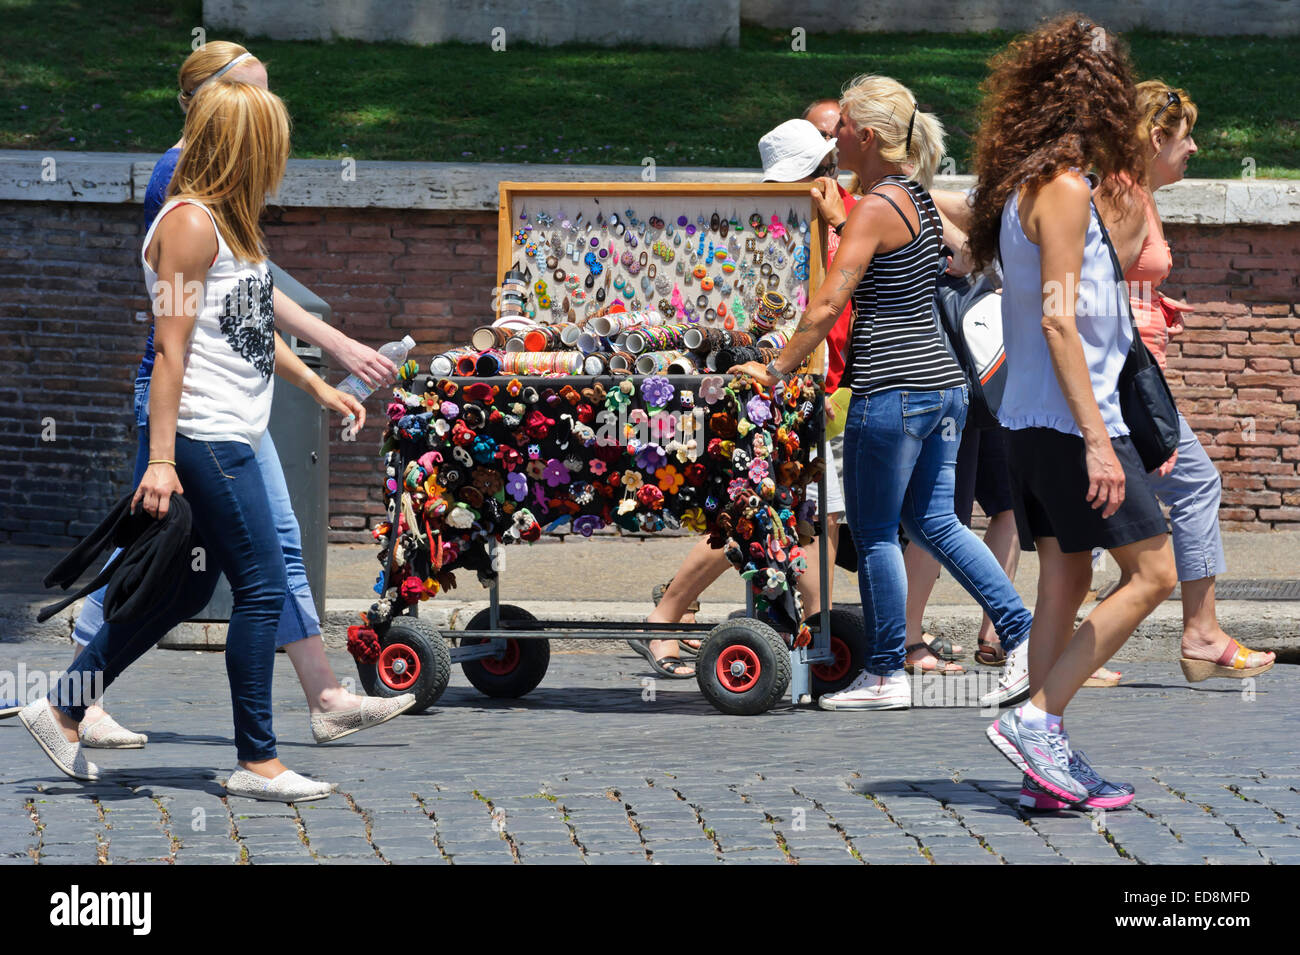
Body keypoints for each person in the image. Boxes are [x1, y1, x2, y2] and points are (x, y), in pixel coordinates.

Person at [67, 41, 415, 750]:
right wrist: (164, 453)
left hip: (228, 409)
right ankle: (88, 702)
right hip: (198, 411)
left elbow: (246, 304)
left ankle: (317, 699)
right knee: (174, 563)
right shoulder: (187, 192)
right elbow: (184, 329)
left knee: (218, 571)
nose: (265, 111)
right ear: (209, 105)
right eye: (250, 97)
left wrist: (317, 377)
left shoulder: (223, 194)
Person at [20, 82, 355, 801]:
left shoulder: (228, 225)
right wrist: (164, 459)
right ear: (245, 147)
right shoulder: (192, 226)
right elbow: (170, 350)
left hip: (227, 428)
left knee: (189, 584)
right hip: (206, 437)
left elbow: (247, 325)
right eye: (274, 145)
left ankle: (63, 706)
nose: (281, 160)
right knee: (262, 589)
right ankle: (258, 761)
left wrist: (316, 385)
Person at [731, 74, 1033, 712]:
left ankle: (887, 672)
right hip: (945, 387)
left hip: (890, 388)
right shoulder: (916, 198)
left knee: (873, 533)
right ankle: (1023, 633)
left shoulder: (874, 207)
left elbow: (828, 302)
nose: (833, 138)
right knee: (937, 523)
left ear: (866, 135)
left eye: (840, 128)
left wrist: (776, 369)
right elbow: (965, 260)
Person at [968, 15, 1178, 809]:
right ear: (1096, 100)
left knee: (1066, 568)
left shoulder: (1039, 184)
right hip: (1066, 422)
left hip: (1033, 419)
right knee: (1154, 571)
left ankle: (1042, 762)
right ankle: (1039, 717)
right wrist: (1097, 439)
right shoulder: (1058, 189)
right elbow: (1058, 316)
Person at [633, 118, 848, 678]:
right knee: (754, 508)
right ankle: (669, 616)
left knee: (808, 517)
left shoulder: (823, 224)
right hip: (784, 390)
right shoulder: (781, 235)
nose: (834, 175)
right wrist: (800, 378)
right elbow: (772, 321)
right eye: (826, 168)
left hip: (816, 386)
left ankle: (816, 634)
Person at [1097, 80, 1274, 683]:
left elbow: (1113, 282)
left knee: (1103, 505)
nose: (1193, 147)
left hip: (1127, 378)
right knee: (1193, 485)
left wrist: (1153, 303)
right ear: (1154, 137)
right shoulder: (1122, 194)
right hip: (1125, 383)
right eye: (1184, 135)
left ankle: (1041, 643)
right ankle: (1198, 634)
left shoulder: (1134, 191)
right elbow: (1088, 287)